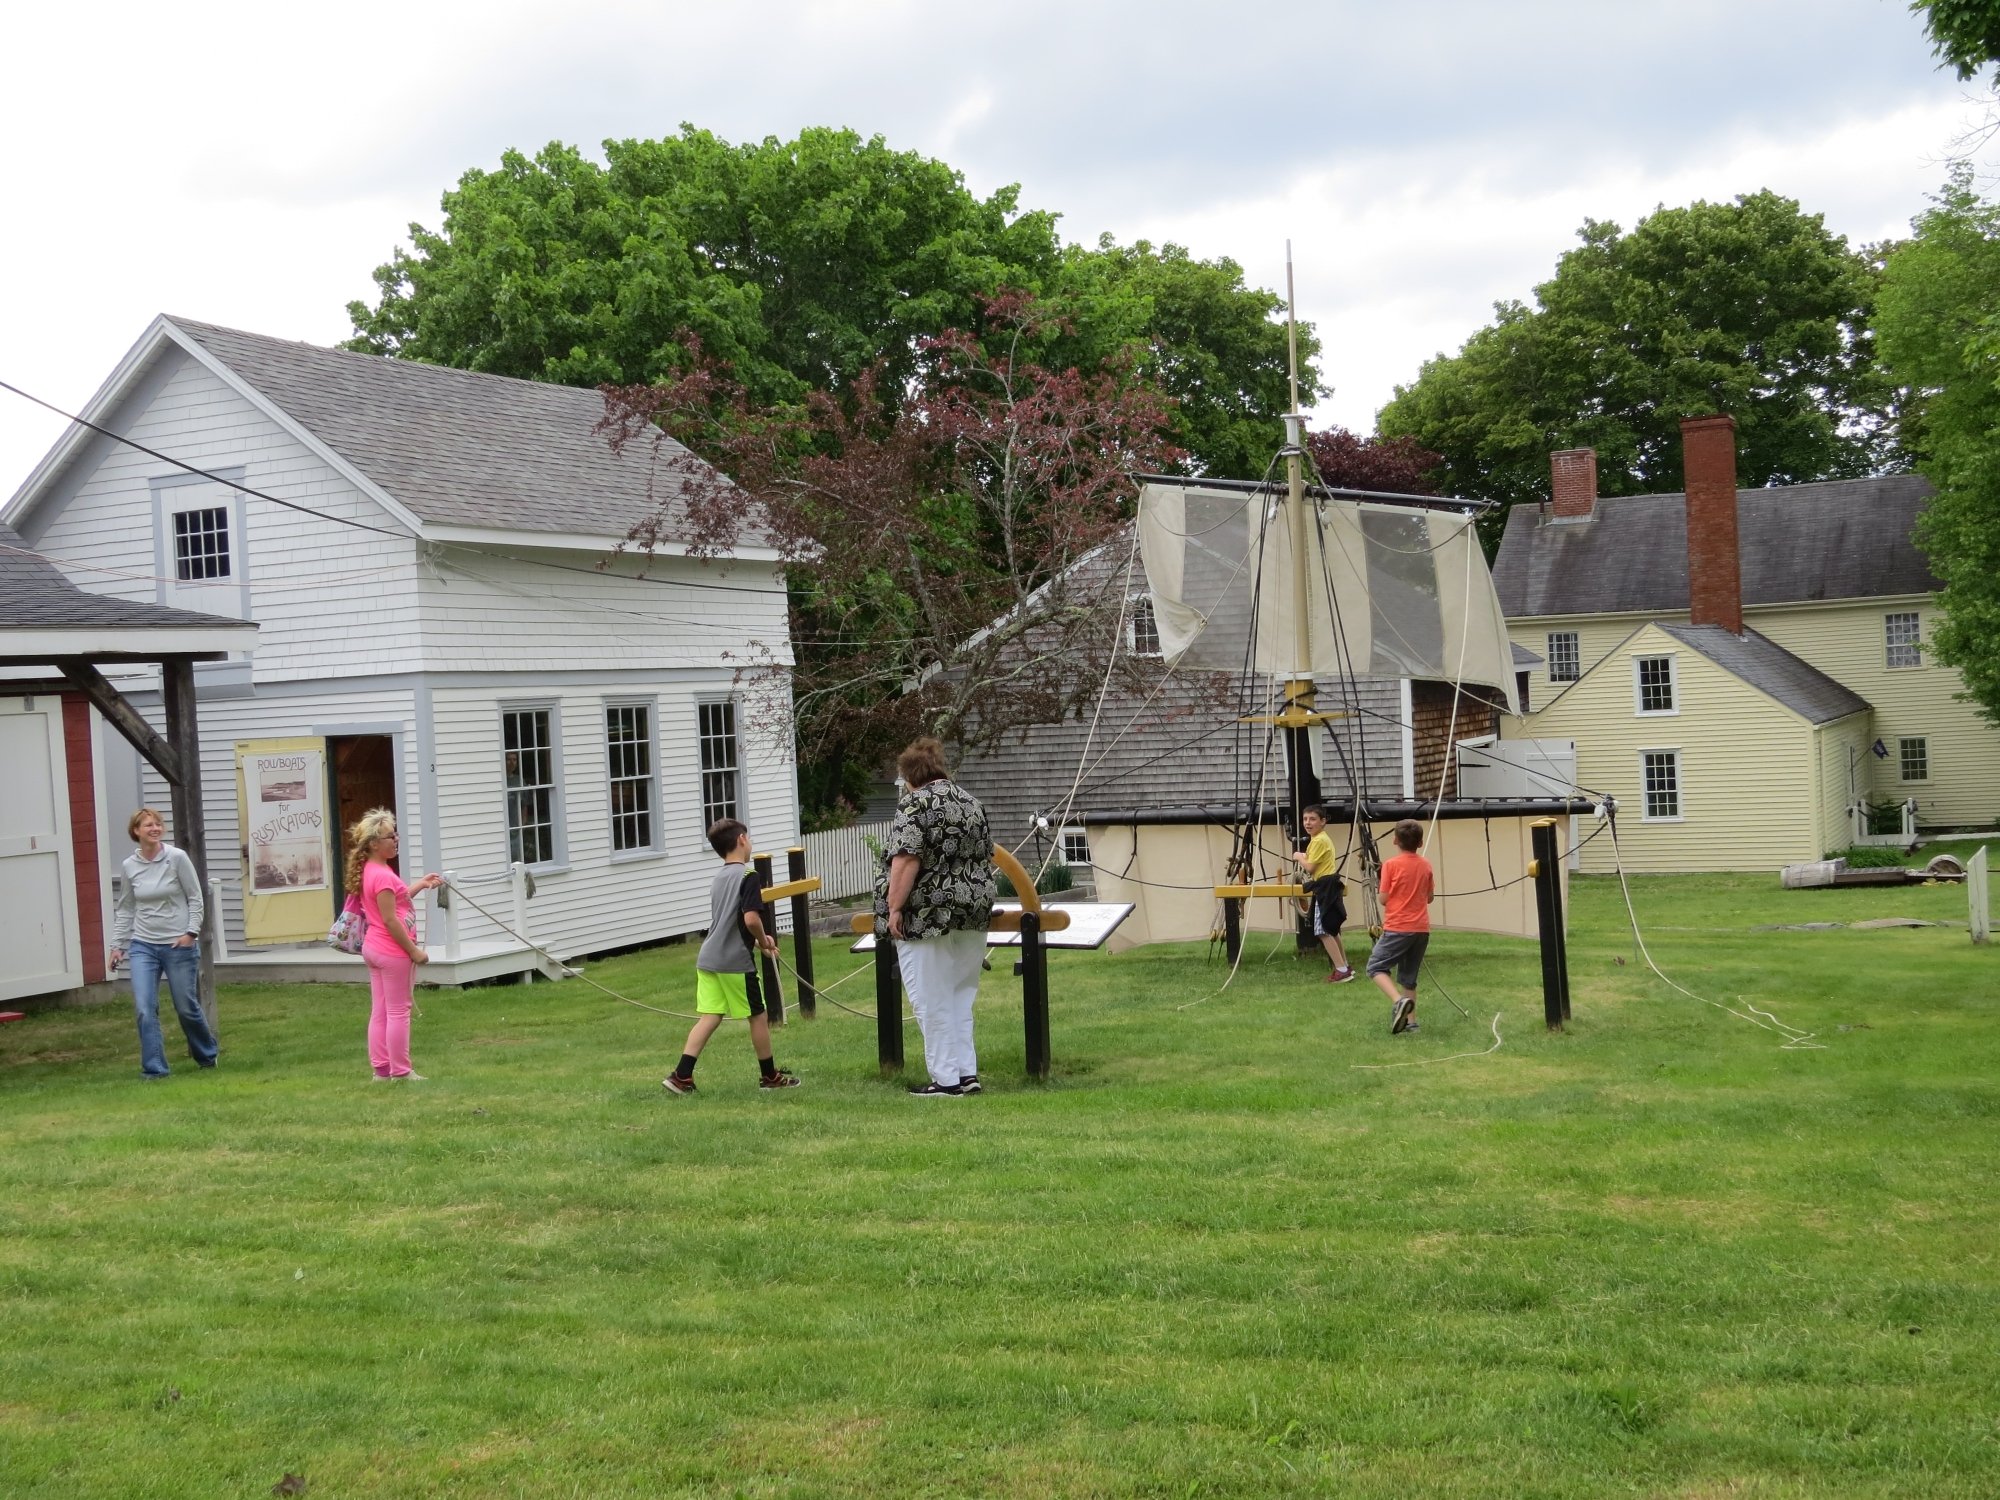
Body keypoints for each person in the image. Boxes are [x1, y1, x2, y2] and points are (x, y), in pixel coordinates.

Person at [876, 738, 996, 1097]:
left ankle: (945, 1081)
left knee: (931, 999)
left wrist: (894, 907)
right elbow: (987, 855)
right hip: (972, 911)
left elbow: (906, 860)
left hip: (929, 915)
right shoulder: (972, 803)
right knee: (961, 995)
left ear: (909, 777)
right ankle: (966, 1074)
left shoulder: (915, 805)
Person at [663, 818, 800, 1095]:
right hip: (734, 961)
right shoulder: (748, 876)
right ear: (741, 840)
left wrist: (761, 938)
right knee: (757, 1016)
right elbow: (750, 919)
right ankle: (770, 1077)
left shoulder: (719, 878)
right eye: (748, 838)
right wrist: (763, 942)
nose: (750, 843)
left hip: (708, 958)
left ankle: (681, 1076)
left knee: (710, 1016)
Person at [108, 808, 218, 1078]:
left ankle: (207, 1055)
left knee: (186, 1007)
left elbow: (195, 897)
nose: (155, 828)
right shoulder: (129, 866)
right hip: (143, 945)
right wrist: (117, 945)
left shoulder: (177, 858)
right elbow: (125, 908)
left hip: (177, 944)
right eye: (148, 825)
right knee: (145, 1008)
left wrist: (190, 933)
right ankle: (155, 1070)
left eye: (158, 824)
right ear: (136, 831)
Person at [348, 808, 442, 1080]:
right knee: (399, 1011)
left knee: (380, 1010)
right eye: (391, 836)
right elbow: (390, 920)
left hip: (374, 949)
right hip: (391, 951)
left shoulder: (372, 870)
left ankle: (381, 1069)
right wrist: (413, 951)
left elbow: (395, 901)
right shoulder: (384, 876)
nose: (396, 840)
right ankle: (401, 1071)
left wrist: (421, 885)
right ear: (375, 844)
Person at [1367, 819, 1436, 1035]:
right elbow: (1430, 897)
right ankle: (1411, 1023)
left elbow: (1384, 899)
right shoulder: (1426, 865)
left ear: (1395, 840)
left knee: (1375, 967)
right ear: (1421, 842)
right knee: (1409, 978)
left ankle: (1398, 1002)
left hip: (1398, 927)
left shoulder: (1390, 865)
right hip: (1421, 929)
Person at [1287, 805, 1354, 982]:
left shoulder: (1318, 841)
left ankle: (1341, 970)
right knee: (1331, 928)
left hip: (1325, 886)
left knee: (1322, 930)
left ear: (1323, 821)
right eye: (1305, 819)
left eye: (1312, 819)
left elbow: (1310, 866)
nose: (1308, 823)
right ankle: (1344, 966)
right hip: (1328, 884)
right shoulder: (1320, 839)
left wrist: (1298, 856)